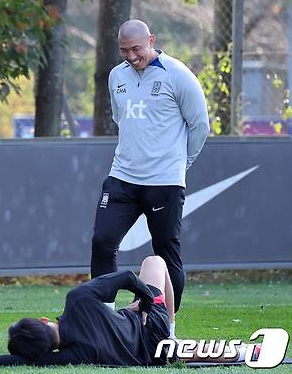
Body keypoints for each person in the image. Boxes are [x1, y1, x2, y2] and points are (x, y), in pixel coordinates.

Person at [90, 19, 210, 332]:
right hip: (122, 177)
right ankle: (104, 321)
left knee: (166, 254)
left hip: (164, 182)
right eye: (124, 50)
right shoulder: (117, 76)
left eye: (136, 49)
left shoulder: (178, 75)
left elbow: (200, 126)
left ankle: (166, 327)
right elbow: (121, 119)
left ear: (151, 40)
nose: (130, 56)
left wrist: (182, 164)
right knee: (102, 241)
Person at [0, 256, 258, 368]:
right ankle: (171, 323)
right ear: (45, 321)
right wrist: (145, 301)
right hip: (150, 322)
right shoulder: (78, 300)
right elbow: (129, 278)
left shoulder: (69, 357)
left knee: (190, 352)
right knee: (154, 263)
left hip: (151, 354)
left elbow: (16, 361)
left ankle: (243, 352)